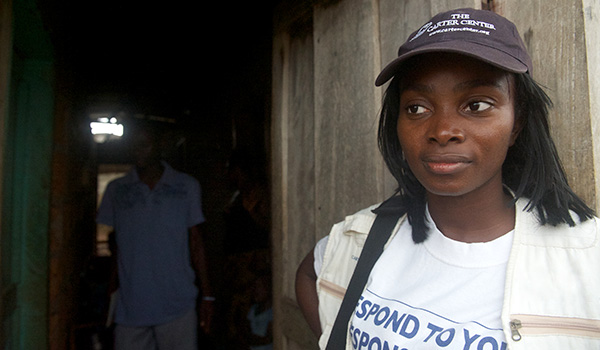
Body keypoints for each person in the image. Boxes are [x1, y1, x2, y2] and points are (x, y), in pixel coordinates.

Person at [295, 7, 600, 350]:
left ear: (517, 122)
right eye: (417, 108)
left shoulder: (589, 261)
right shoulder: (363, 235)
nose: (442, 131)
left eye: (477, 106)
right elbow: (308, 274)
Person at [96, 122, 214, 349]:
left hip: (177, 305)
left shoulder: (186, 187)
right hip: (131, 308)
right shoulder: (117, 190)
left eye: (144, 145)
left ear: (160, 146)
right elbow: (116, 246)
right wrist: (110, 294)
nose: (137, 151)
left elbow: (196, 242)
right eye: (133, 146)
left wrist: (207, 296)